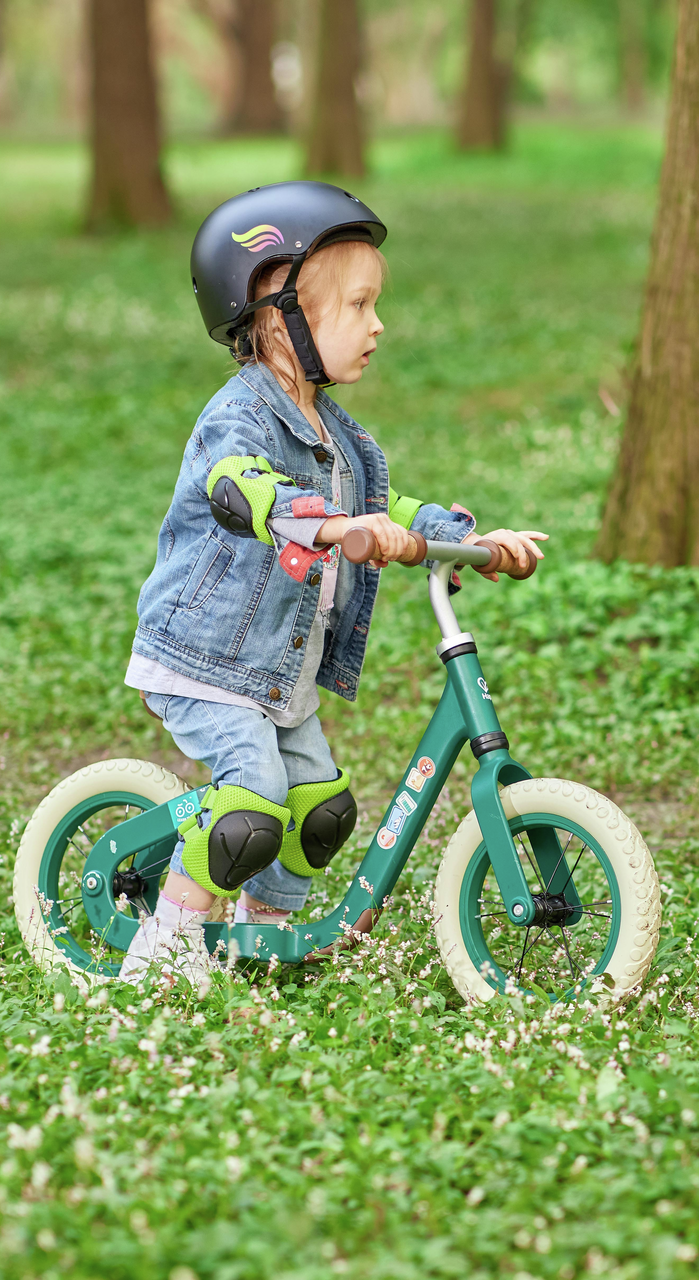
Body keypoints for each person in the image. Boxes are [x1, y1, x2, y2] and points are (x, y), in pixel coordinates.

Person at [119, 180, 546, 990]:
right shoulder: (238, 416)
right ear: (275, 314)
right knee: (250, 807)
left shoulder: (339, 434)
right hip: (207, 662)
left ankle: (262, 935)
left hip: (280, 671)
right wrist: (318, 525)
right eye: (356, 305)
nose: (377, 324)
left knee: (318, 811)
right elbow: (238, 485)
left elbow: (385, 507)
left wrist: (472, 540)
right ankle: (166, 953)